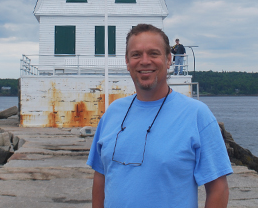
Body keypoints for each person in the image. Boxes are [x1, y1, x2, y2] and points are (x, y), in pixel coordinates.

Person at [87, 24, 232, 208]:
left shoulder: (197, 115)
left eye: (154, 54)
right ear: (127, 60)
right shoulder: (112, 113)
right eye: (136, 54)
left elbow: (218, 189)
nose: (145, 61)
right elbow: (101, 177)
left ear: (169, 59)